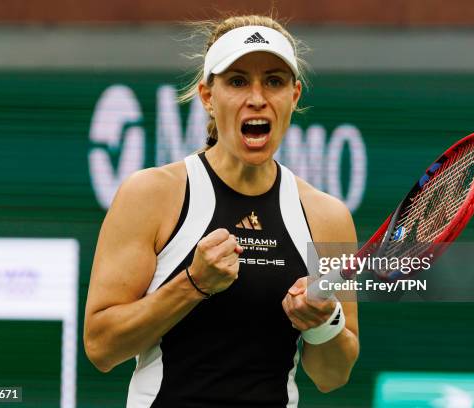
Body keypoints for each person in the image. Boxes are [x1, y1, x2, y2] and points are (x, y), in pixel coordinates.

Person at [83, 14, 360, 408]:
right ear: (208, 97)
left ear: (294, 96)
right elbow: (101, 347)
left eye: (275, 81)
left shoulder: (327, 217)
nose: (258, 97)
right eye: (237, 81)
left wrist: (322, 322)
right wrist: (192, 284)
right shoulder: (151, 195)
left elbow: (333, 376)